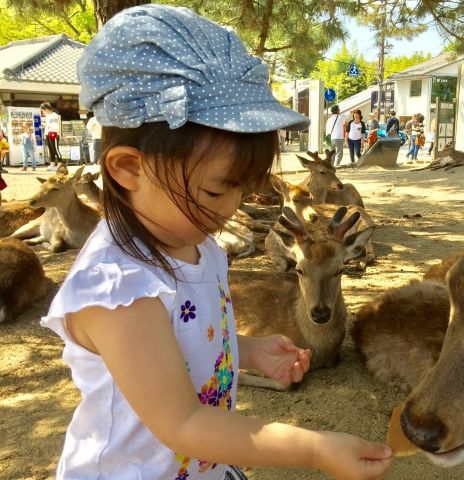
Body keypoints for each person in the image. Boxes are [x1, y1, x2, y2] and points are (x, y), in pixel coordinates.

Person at [41, 6, 393, 480]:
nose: (230, 208)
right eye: (214, 190)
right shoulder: (118, 289)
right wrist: (314, 449)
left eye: (242, 191)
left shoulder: (199, 246)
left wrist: (248, 349)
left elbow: (191, 334)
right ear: (128, 169)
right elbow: (183, 422)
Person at [41, 102, 62, 171]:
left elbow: (55, 126)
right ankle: (52, 164)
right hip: (48, 133)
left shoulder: (54, 115)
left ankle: (60, 165)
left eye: (43, 110)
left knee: (55, 149)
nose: (43, 112)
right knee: (50, 150)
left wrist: (46, 124)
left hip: (54, 133)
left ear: (46, 109)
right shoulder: (48, 116)